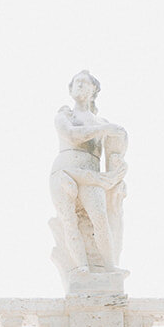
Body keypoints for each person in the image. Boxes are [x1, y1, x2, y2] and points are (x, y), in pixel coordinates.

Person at [49, 69, 127, 274]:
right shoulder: (65, 115)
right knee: (69, 220)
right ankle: (80, 266)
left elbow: (116, 151)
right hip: (64, 171)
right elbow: (71, 135)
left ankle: (109, 266)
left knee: (100, 218)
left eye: (84, 82)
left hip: (91, 174)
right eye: (76, 82)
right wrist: (104, 130)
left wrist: (118, 166)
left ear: (94, 90)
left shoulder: (103, 123)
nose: (80, 85)